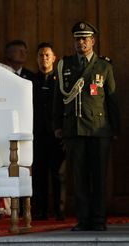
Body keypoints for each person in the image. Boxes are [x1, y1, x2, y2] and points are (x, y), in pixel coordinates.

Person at [53, 21, 120, 231]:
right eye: (77, 39)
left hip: (99, 129)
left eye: (85, 38)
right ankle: (83, 220)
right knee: (79, 178)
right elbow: (58, 98)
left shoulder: (104, 66)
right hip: (74, 129)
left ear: (93, 41)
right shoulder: (65, 64)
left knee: (98, 177)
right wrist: (57, 124)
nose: (81, 42)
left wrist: (115, 129)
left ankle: (99, 220)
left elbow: (112, 100)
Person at [32, 42, 65, 221]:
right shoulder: (31, 80)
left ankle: (59, 210)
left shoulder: (60, 80)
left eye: (47, 55)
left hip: (56, 133)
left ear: (54, 58)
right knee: (39, 173)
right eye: (40, 55)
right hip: (37, 134)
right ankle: (40, 210)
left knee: (57, 173)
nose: (43, 58)